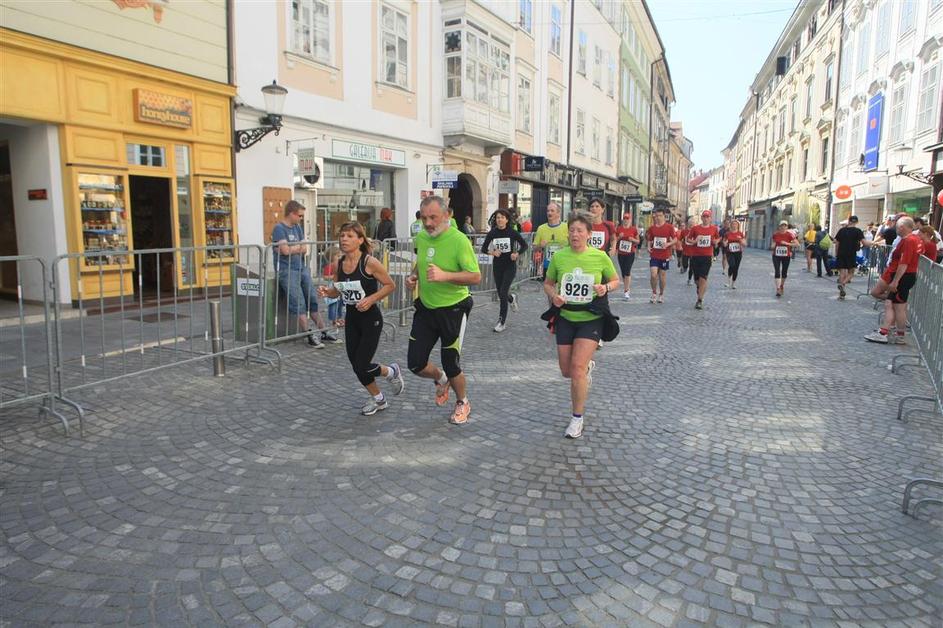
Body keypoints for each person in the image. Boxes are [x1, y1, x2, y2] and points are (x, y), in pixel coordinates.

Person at [406, 196, 482, 424]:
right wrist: (413, 276)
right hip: (427, 308)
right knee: (415, 363)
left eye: (433, 217)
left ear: (446, 215)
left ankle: (462, 402)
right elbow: (421, 261)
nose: (428, 223)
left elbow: (475, 277)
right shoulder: (421, 236)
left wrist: (445, 275)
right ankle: (441, 378)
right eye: (424, 218)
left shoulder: (459, 241)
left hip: (454, 308)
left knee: (451, 362)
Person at [543, 215, 620, 439]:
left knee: (576, 368)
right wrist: (554, 296)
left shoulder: (600, 256)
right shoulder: (559, 257)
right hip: (566, 318)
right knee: (567, 371)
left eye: (579, 230)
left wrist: (605, 287)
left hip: (591, 318)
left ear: (589, 234)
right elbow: (548, 283)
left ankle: (577, 419)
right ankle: (587, 369)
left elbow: (615, 280)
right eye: (572, 230)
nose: (575, 234)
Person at [317, 223, 405, 415]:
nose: (344, 239)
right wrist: (327, 292)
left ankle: (391, 372)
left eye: (349, 236)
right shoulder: (340, 263)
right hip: (352, 318)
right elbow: (337, 290)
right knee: (356, 365)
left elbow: (390, 285)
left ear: (360, 240)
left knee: (362, 364)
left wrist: (371, 299)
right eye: (342, 235)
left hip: (371, 319)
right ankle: (379, 400)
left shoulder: (369, 262)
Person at [271, 200, 326, 348]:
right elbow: (285, 251)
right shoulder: (279, 228)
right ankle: (308, 334)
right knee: (298, 302)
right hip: (287, 270)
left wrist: (291, 248)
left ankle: (324, 331)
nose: (301, 219)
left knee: (312, 299)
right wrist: (294, 248)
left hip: (301, 268)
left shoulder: (297, 228)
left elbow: (304, 249)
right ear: (291, 214)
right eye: (300, 216)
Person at [865, 217, 923, 345]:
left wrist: (895, 281)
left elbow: (904, 263)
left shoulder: (909, 241)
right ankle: (888, 332)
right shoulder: (915, 239)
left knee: (898, 307)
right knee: (890, 304)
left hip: (903, 277)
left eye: (897, 227)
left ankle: (893, 334)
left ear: (902, 227)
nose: (896, 230)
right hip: (906, 276)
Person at [480, 209, 528, 332]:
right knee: (501, 292)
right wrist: (492, 252)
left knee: (502, 292)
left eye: (502, 217)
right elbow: (483, 249)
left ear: (507, 220)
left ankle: (501, 322)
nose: (499, 220)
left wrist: (517, 254)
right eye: (497, 218)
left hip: (509, 266)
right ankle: (511, 298)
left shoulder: (512, 232)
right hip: (497, 266)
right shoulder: (492, 233)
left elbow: (524, 245)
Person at [684, 210, 720, 309]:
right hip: (695, 256)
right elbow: (688, 239)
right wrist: (695, 241)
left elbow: (718, 238)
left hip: (707, 257)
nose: (706, 218)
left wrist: (715, 242)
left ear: (710, 218)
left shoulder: (714, 229)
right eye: (704, 216)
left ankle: (699, 300)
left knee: (703, 278)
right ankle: (699, 287)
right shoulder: (695, 228)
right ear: (701, 218)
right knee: (697, 280)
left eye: (707, 217)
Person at [646, 208, 678, 303]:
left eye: (660, 216)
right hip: (654, 254)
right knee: (653, 274)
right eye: (656, 216)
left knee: (662, 275)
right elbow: (649, 240)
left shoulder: (669, 227)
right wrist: (648, 247)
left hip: (664, 255)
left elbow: (675, 239)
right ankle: (654, 293)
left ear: (664, 216)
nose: (658, 218)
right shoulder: (652, 228)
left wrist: (668, 244)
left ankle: (661, 294)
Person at [833, 215, 869, 300]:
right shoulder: (858, 231)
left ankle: (841, 294)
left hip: (841, 253)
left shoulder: (842, 230)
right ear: (857, 222)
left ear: (848, 221)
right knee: (851, 272)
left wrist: (837, 253)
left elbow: (836, 242)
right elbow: (864, 243)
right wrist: (874, 243)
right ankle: (843, 284)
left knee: (842, 273)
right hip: (851, 254)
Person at [533, 202, 568, 281]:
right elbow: (534, 248)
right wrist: (540, 246)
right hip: (548, 265)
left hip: (564, 264)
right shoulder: (541, 228)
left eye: (552, 211)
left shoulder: (566, 227)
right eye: (548, 211)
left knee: (561, 286)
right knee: (548, 287)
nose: (549, 213)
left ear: (558, 213)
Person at [771, 220, 800, 297]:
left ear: (787, 227)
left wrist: (787, 243)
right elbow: (773, 244)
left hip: (786, 256)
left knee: (784, 272)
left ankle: (781, 285)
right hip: (776, 255)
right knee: (777, 271)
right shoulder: (775, 234)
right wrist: (772, 246)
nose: (783, 227)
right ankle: (778, 289)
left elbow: (797, 244)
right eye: (782, 226)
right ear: (779, 227)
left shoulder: (790, 235)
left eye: (785, 226)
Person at [615, 212, 640, 299]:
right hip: (621, 253)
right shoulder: (619, 229)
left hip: (630, 253)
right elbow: (614, 240)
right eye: (624, 218)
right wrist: (619, 237)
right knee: (623, 272)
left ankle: (626, 290)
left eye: (627, 218)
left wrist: (632, 239)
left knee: (627, 271)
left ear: (630, 220)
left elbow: (638, 241)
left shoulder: (633, 229)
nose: (626, 220)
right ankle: (626, 287)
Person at [322, 249, 345, 333]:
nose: (340, 257)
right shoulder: (329, 266)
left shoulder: (341, 265)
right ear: (331, 257)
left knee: (340, 305)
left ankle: (339, 319)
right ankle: (334, 321)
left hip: (340, 288)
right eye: (338, 256)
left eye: (340, 256)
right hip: (332, 288)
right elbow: (325, 277)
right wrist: (334, 276)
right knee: (333, 305)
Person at [722, 219, 745, 289]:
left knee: (736, 268)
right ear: (731, 225)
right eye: (733, 224)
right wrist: (725, 243)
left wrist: (742, 242)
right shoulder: (727, 234)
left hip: (738, 252)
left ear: (738, 225)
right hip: (730, 252)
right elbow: (724, 243)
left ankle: (733, 283)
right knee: (732, 265)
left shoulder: (740, 234)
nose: (734, 225)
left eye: (736, 224)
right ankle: (728, 281)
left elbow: (744, 243)